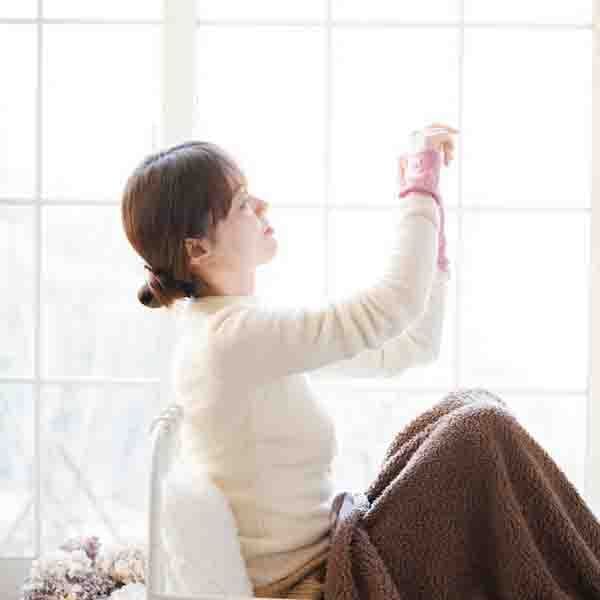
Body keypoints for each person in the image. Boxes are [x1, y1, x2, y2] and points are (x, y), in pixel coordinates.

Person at [121, 124, 458, 598]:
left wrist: (432, 238)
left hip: (334, 553)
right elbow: (390, 307)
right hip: (308, 585)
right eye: (242, 203)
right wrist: (420, 191)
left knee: (466, 420)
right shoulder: (230, 340)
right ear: (198, 248)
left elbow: (408, 347)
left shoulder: (236, 329)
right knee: (475, 429)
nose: (262, 206)